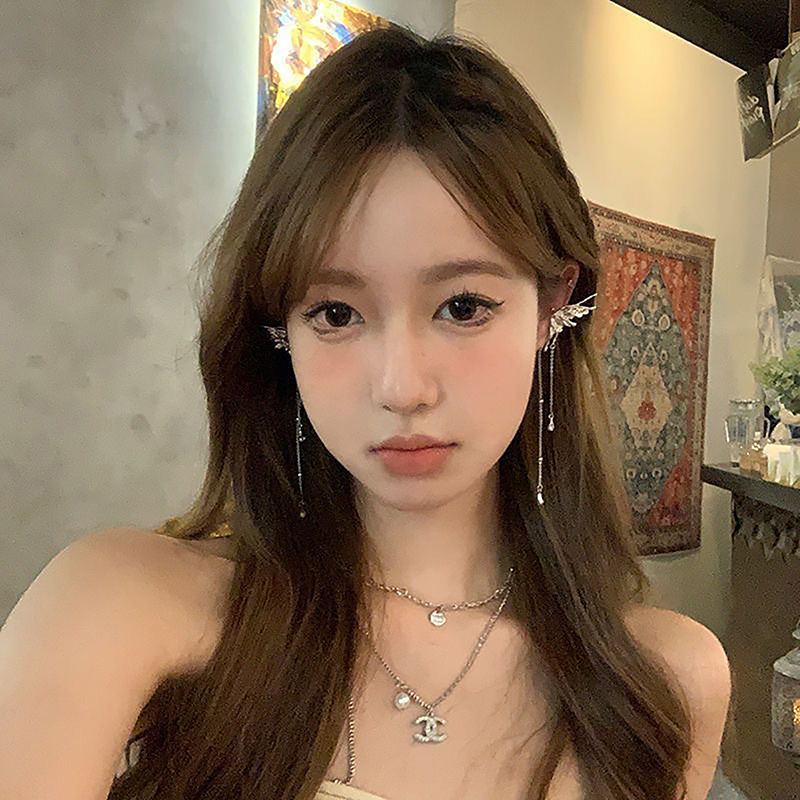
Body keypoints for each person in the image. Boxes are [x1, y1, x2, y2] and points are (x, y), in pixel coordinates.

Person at [0, 24, 732, 800]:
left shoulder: (666, 685)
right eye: (336, 314)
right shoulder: (119, 607)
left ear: (553, 304)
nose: (401, 387)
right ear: (280, 332)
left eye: (462, 305)